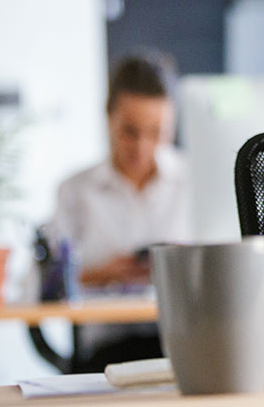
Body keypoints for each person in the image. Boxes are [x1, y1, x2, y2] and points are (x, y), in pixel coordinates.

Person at [50, 51, 192, 369]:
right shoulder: (76, 190)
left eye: (158, 133)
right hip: (106, 352)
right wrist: (99, 275)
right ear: (108, 117)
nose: (142, 147)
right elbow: (44, 286)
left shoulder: (194, 182)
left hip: (184, 344)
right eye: (130, 131)